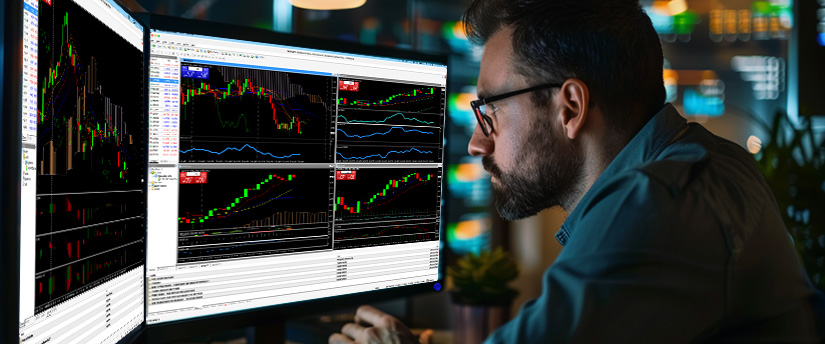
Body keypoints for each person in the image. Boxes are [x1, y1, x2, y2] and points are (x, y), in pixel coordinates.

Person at [329, 0, 825, 342]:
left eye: (491, 111)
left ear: (569, 107)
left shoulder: (658, 203)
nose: (478, 142)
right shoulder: (705, 162)